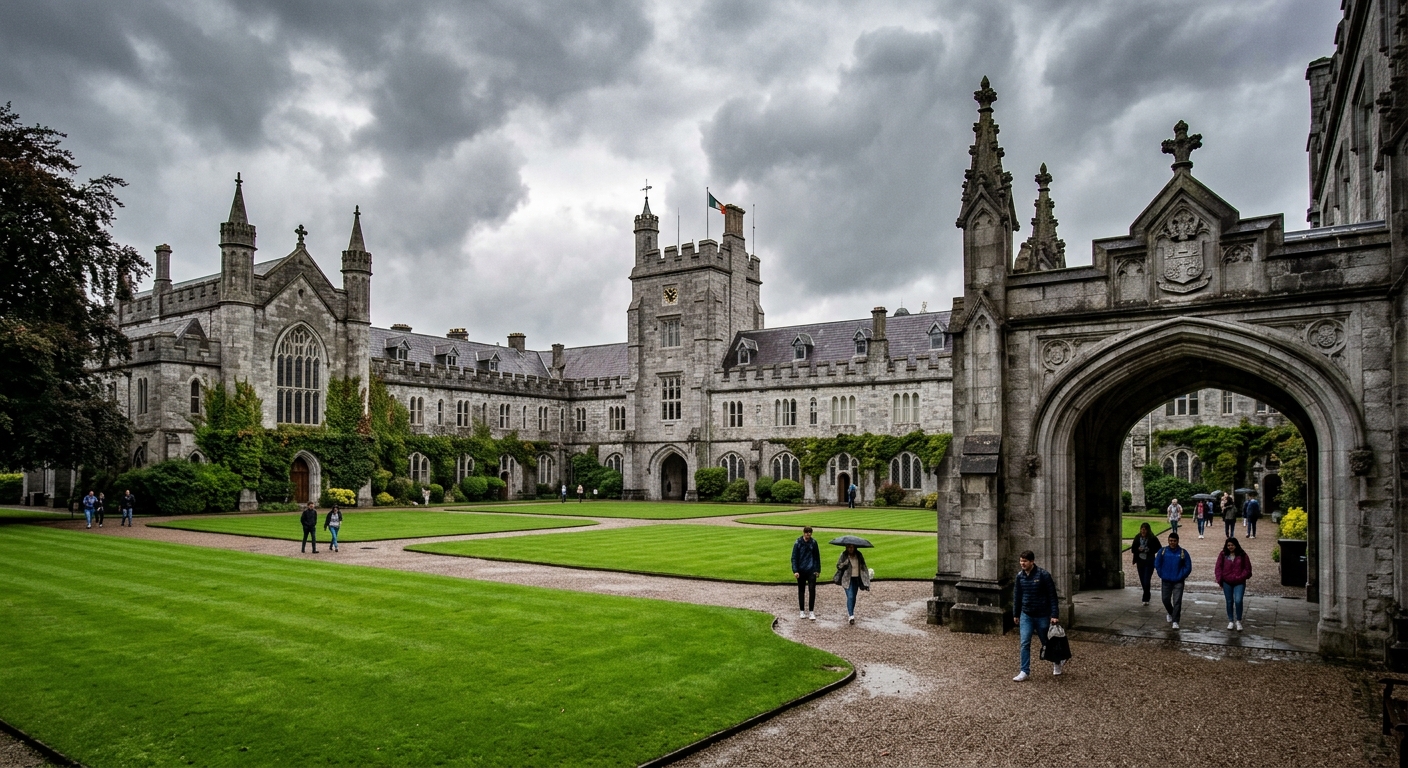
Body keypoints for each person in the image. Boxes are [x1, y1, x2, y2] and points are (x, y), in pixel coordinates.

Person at [1012, 550, 1062, 681]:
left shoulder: (1044, 575)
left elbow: (1052, 596)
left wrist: (1054, 614)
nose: (1022, 563)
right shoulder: (1019, 576)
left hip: (1042, 615)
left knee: (1047, 642)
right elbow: (1017, 596)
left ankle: (1057, 662)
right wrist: (1016, 614)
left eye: (1025, 561)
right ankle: (1024, 671)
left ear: (1032, 561)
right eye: (1021, 560)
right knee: (1024, 642)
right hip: (1026, 614)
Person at [1155, 532, 1192, 629]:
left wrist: (1182, 575)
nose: (1172, 543)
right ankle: (1171, 612)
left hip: (1178, 581)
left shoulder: (1183, 552)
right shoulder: (1163, 551)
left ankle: (1175, 620)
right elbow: (1157, 563)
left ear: (1178, 541)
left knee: (1177, 601)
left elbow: (1188, 566)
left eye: (1174, 541)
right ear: (1168, 541)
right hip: (1166, 580)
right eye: (1171, 541)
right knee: (1165, 599)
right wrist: (1161, 573)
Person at [1214, 537, 1252, 631]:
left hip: (1239, 581)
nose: (1230, 547)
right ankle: (1230, 620)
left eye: (1232, 545)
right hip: (1227, 581)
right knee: (1229, 601)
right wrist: (1220, 579)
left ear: (1236, 545)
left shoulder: (1242, 555)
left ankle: (1238, 620)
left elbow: (1247, 569)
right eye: (1228, 545)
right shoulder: (1223, 554)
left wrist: (1241, 577)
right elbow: (1218, 567)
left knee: (1238, 600)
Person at [832, 543, 870, 624]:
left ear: (855, 547)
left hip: (856, 579)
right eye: (849, 547)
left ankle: (851, 612)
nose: (850, 549)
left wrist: (866, 582)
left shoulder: (859, 555)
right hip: (847, 579)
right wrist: (844, 564)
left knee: (854, 597)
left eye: (852, 547)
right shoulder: (843, 555)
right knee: (850, 596)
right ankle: (851, 616)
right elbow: (838, 566)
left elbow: (863, 567)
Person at [791, 527, 821, 621]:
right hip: (801, 570)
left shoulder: (813, 543)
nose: (808, 534)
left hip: (811, 570)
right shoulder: (798, 542)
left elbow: (817, 557)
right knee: (801, 590)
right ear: (803, 533)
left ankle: (811, 611)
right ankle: (802, 610)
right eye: (806, 532)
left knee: (812, 590)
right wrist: (795, 570)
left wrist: (817, 570)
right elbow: (794, 557)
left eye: (809, 532)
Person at [1130, 522, 1161, 605]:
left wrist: (1150, 550)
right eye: (1142, 529)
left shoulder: (1152, 538)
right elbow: (1133, 549)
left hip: (1149, 560)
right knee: (1142, 579)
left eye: (1145, 530)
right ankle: (1147, 593)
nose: (1143, 531)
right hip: (1140, 561)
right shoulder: (1137, 537)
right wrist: (1138, 550)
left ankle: (1145, 597)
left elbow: (1159, 547)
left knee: (1146, 579)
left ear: (1148, 530)